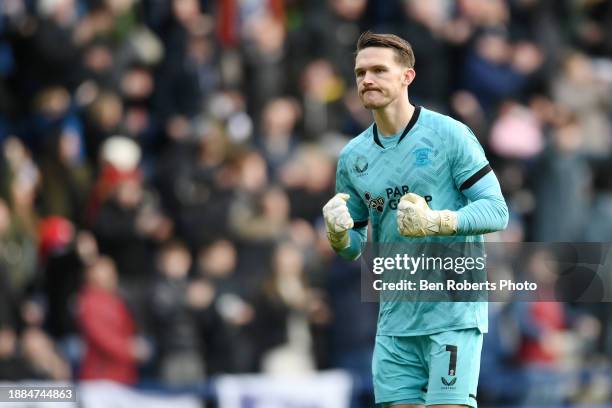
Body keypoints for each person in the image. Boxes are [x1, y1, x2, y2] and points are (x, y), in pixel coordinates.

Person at [322, 32, 509, 408]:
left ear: (407, 76)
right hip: (394, 322)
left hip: (452, 312)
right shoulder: (353, 156)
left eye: (378, 70)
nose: (366, 80)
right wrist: (339, 235)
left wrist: (437, 221)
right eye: (360, 73)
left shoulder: (449, 135)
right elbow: (353, 247)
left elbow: (496, 210)